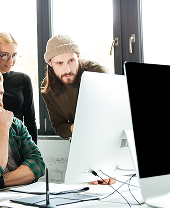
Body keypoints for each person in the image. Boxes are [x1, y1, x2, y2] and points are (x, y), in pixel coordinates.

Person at [41, 34, 115, 185]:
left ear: (78, 57)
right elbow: (59, 127)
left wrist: (108, 165)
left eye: (71, 61)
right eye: (59, 63)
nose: (67, 69)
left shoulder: (98, 73)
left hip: (111, 147)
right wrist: (74, 128)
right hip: (80, 149)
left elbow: (113, 120)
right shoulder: (48, 89)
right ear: (50, 63)